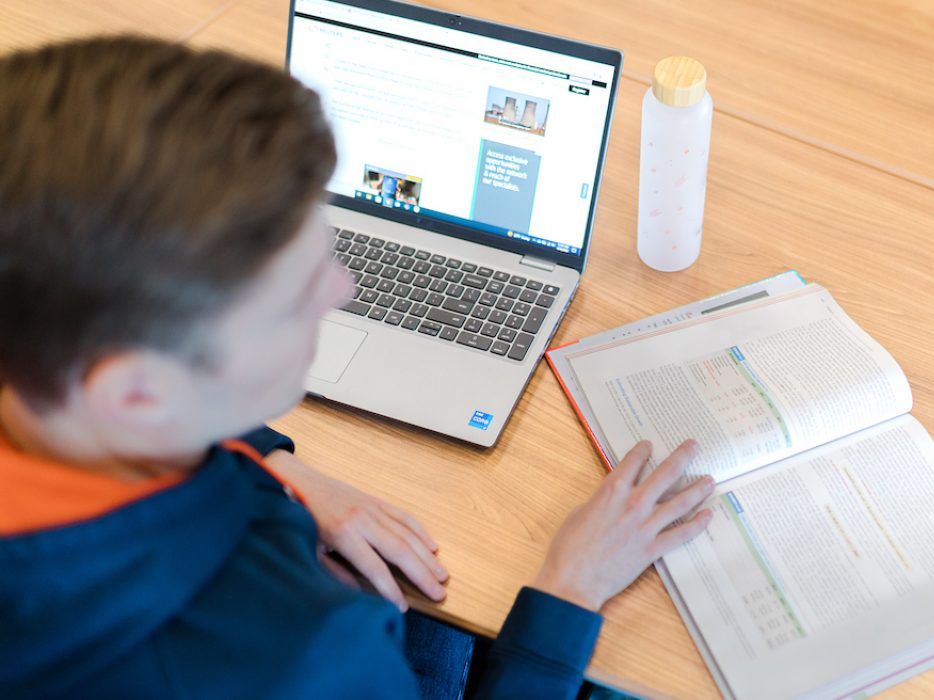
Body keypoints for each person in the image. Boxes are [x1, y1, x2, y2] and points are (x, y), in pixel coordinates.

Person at [0, 36, 714, 699]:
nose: (342, 290)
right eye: (296, 293)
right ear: (137, 394)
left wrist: (278, 467)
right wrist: (570, 588)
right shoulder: (309, 655)